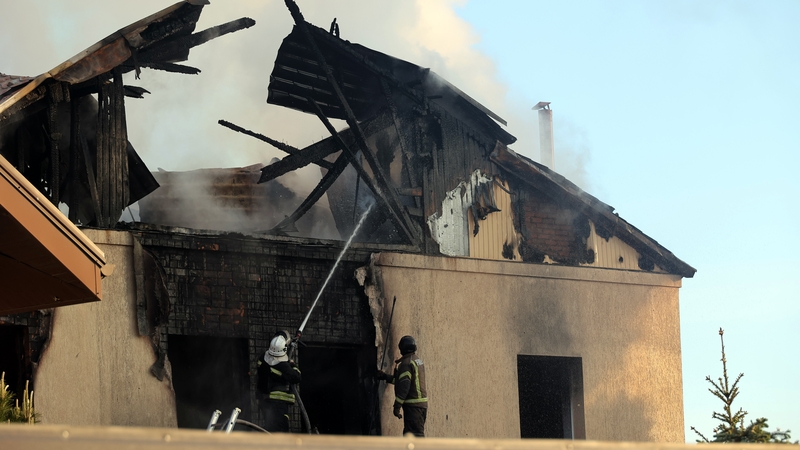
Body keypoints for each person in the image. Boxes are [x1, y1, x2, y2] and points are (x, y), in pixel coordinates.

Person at [377, 335, 428, 437]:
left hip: (413, 407)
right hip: (420, 407)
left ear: (402, 348)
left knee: (413, 437)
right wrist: (385, 377)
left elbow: (404, 387)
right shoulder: (416, 360)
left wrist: (397, 406)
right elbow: (402, 381)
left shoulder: (406, 364)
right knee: (415, 435)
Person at [257, 330, 301, 432]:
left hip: (265, 402)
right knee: (280, 432)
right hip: (278, 405)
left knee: (270, 428)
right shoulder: (283, 365)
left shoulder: (262, 358)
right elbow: (297, 377)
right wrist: (292, 365)